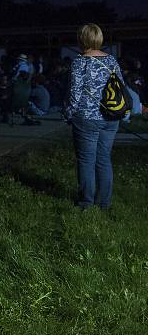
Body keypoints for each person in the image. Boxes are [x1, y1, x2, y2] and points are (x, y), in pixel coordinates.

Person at [65, 23, 123, 209]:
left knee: (86, 160)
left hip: (86, 118)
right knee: (104, 159)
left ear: (81, 39)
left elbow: (75, 93)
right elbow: (120, 87)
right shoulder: (112, 61)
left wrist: (68, 113)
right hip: (110, 117)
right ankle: (104, 203)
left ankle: (86, 203)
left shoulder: (79, 62)